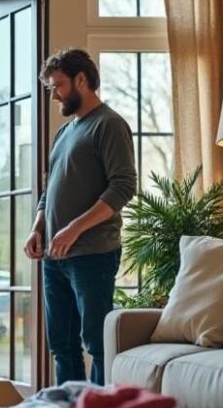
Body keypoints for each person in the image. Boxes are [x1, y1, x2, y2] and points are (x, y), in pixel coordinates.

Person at [23, 48, 137, 385]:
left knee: (98, 345)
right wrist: (38, 227)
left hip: (93, 255)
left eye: (58, 86)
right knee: (62, 346)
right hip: (54, 256)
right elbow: (50, 191)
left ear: (82, 80)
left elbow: (123, 187)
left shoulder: (110, 125)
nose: (54, 95)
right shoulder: (64, 132)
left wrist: (74, 229)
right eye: (51, 88)